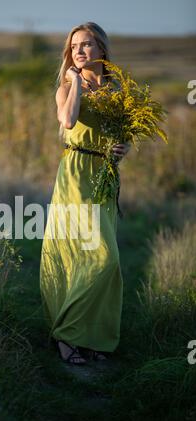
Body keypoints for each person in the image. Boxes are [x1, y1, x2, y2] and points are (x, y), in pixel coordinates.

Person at [39, 22, 131, 365]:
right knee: (96, 257)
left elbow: (126, 135)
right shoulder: (66, 87)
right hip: (75, 173)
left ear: (102, 50)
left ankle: (91, 337)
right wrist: (76, 81)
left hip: (104, 175)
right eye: (75, 46)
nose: (80, 51)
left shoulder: (118, 90)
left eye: (88, 45)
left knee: (101, 258)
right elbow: (67, 120)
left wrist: (123, 150)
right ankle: (67, 335)